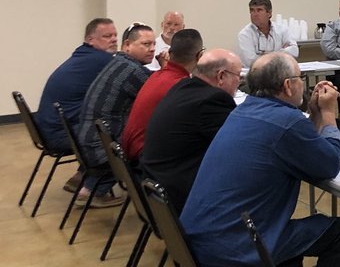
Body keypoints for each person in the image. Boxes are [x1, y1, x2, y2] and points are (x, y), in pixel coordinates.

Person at [181, 52, 340, 267]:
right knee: (339, 232)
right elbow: (327, 164)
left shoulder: (244, 110)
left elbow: (296, 144)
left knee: (257, 219)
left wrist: (312, 114)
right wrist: (329, 115)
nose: (304, 84)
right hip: (235, 248)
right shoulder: (285, 122)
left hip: (200, 242)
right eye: (300, 79)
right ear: (288, 86)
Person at [141, 48, 242, 211]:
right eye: (238, 75)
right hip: (179, 197)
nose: (240, 81)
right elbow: (236, 145)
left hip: (155, 187)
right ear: (221, 76)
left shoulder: (183, 86)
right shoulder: (213, 100)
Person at [76, 22, 157, 207]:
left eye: (154, 44)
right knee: (157, 145)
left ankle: (91, 189)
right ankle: (157, 201)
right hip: (101, 148)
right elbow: (165, 97)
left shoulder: (118, 62)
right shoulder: (134, 71)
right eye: (146, 44)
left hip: (89, 140)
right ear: (127, 45)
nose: (152, 49)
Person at [35, 17, 117, 174]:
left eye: (115, 35)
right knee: (120, 131)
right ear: (90, 40)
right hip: (60, 135)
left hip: (48, 129)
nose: (113, 39)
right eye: (107, 36)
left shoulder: (84, 54)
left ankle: (81, 177)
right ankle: (92, 187)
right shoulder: (101, 60)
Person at [121, 28, 204, 162]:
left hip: (130, 150)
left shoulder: (158, 75)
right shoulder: (181, 86)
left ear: (170, 53)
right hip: (143, 156)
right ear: (200, 56)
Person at [236, 0, 298, 68]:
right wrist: (282, 53)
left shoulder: (282, 30)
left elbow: (294, 51)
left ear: (269, 13)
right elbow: (251, 62)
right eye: (252, 10)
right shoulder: (244, 35)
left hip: (279, 73)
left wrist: (268, 55)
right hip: (256, 76)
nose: (255, 14)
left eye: (259, 10)